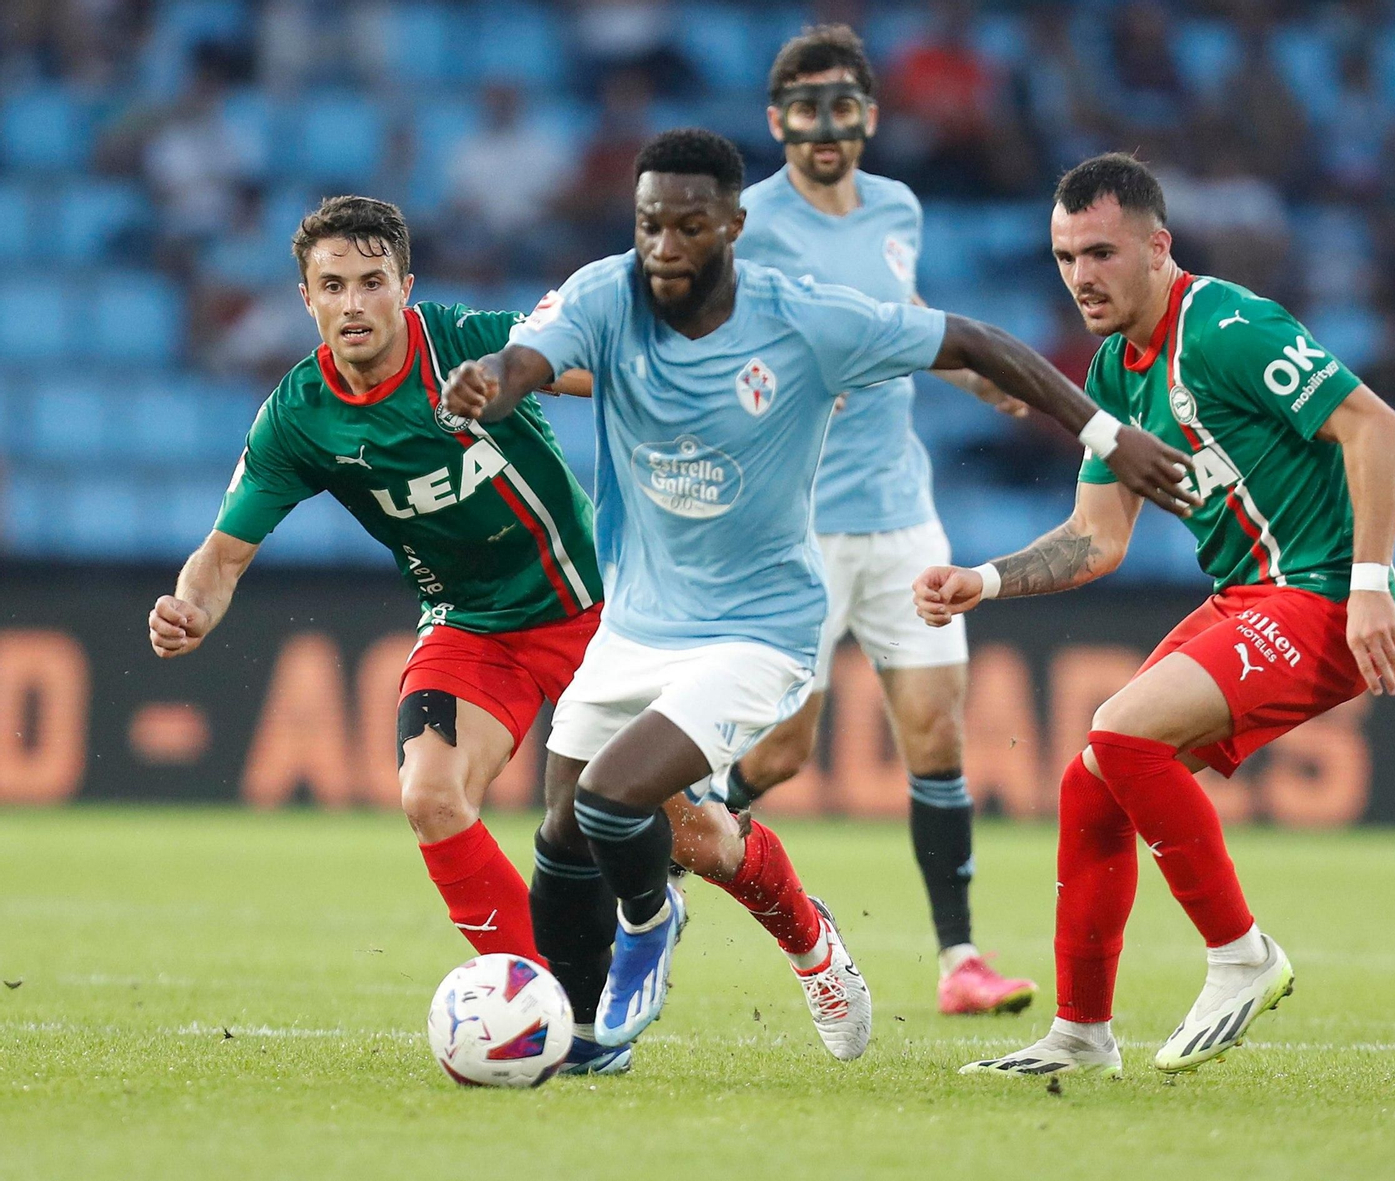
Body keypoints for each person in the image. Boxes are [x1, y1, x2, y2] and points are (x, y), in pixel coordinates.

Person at [441, 130, 1197, 1053]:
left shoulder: (806, 317)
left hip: (757, 628)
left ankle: (651, 921)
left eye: (688, 225)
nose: (665, 247)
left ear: (734, 224)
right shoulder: (606, 291)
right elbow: (531, 356)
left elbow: (979, 341)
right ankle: (583, 1034)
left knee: (610, 805)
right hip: (638, 618)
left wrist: (1107, 437)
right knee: (560, 842)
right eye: (649, 226)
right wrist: (492, 383)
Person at [144, 195, 866, 1075]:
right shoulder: (299, 416)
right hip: (471, 626)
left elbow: (610, 367)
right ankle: (557, 1010)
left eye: (373, 282)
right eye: (333, 286)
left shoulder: (468, 348)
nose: (355, 304)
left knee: (692, 837)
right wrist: (189, 608)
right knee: (430, 794)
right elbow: (219, 561)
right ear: (306, 298)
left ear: (406, 287)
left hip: (602, 614)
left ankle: (813, 946)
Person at [913, 154, 1395, 1077]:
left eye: (1100, 252)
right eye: (1064, 257)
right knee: (1090, 780)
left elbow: (1377, 427)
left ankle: (1241, 953)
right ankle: (1081, 1033)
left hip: (1320, 595)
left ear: (1158, 246)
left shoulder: (1224, 327)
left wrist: (1372, 582)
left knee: (1123, 731)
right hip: (1246, 598)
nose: (1080, 277)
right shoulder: (1110, 369)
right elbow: (1097, 539)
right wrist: (983, 580)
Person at [727, 23, 1037, 1016]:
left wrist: (969, 369)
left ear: (870, 115)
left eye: (844, 107)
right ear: (777, 120)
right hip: (798, 522)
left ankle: (959, 961)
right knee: (780, 752)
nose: (826, 128)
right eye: (806, 109)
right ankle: (671, 841)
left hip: (901, 512)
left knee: (936, 732)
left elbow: (898, 315)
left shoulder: (898, 208)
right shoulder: (747, 220)